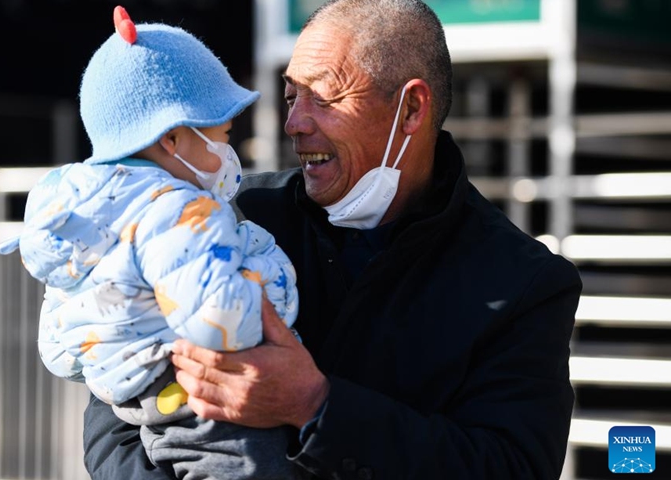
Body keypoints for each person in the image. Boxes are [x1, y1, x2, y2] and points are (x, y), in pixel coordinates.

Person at [83, 0, 583, 478]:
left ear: (411, 109)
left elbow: (510, 466)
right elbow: (114, 419)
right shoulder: (224, 216)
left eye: (323, 96)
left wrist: (316, 406)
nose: (294, 123)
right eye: (291, 96)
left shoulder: (524, 282)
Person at [0, 6, 307, 480]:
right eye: (222, 134)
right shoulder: (180, 211)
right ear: (174, 138)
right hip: (216, 413)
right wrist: (267, 291)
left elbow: (60, 353)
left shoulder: (82, 219)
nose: (229, 150)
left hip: (142, 414)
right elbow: (223, 322)